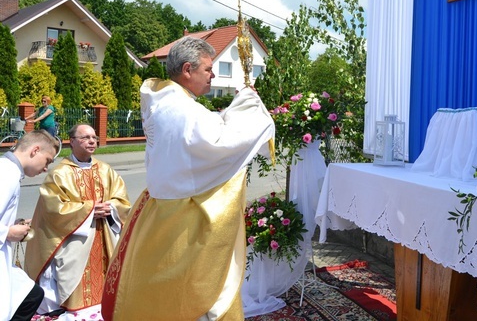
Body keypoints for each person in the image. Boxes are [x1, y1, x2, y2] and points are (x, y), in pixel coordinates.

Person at [102, 36, 275, 320]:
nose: (213, 75)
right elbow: (219, 143)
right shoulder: (181, 109)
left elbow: (207, 128)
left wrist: (235, 107)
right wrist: (248, 104)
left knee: (158, 285)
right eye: (208, 69)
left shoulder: (166, 101)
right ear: (187, 69)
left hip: (160, 208)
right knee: (191, 289)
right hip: (183, 215)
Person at [24, 124, 131, 320]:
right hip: (76, 239)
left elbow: (122, 200)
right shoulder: (60, 174)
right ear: (71, 142)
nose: (92, 141)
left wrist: (111, 208)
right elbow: (53, 209)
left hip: (103, 233)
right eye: (85, 138)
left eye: (94, 137)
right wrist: (89, 210)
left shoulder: (106, 170)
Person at [1, 130, 59, 321]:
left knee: (30, 295)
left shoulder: (9, 171)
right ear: (35, 150)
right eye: (48, 160)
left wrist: (13, 225)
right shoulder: (6, 174)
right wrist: (8, 232)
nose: (46, 169)